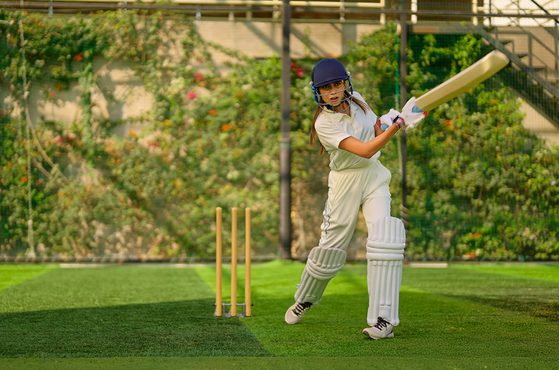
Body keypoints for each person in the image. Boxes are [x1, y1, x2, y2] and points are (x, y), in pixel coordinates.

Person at [284, 58, 424, 340]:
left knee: (385, 237)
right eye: (326, 88)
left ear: (345, 83)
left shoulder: (357, 99)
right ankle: (306, 298)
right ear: (318, 92)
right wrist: (396, 126)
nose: (333, 91)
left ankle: (383, 320)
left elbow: (375, 130)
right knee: (330, 249)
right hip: (345, 182)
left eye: (337, 84)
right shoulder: (325, 124)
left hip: (373, 177)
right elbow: (365, 150)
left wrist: (396, 120)